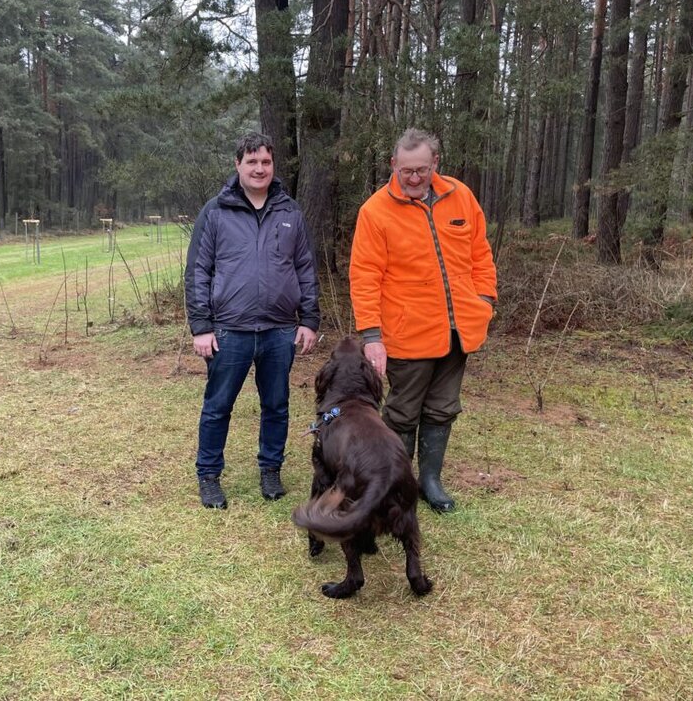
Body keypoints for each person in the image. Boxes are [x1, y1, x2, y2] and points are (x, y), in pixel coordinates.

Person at [349, 128, 498, 512]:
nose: (414, 178)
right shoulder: (375, 211)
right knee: (401, 412)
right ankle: (393, 484)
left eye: (421, 170)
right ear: (393, 165)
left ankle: (430, 480)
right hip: (406, 334)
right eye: (406, 170)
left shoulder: (460, 196)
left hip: (459, 331)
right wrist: (371, 335)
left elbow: (481, 253)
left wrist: (484, 299)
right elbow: (364, 276)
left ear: (435, 163)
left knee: (443, 408)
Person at [184, 132, 320, 509]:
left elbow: (305, 268)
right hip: (229, 329)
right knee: (217, 406)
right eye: (252, 162)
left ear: (272, 166)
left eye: (265, 162)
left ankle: (270, 469)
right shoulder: (215, 211)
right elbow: (198, 271)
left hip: (279, 330)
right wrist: (202, 326)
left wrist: (308, 319)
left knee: (276, 404)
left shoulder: (290, 211)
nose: (259, 168)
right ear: (238, 165)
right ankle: (209, 475)